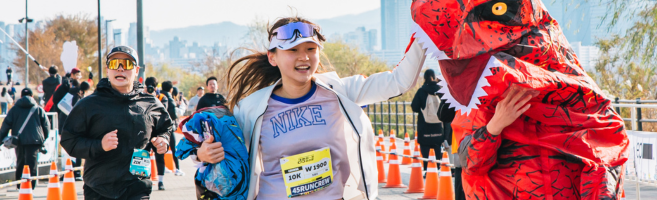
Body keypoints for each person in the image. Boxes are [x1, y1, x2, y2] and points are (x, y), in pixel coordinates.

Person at [192, 17, 426, 199]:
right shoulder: (251, 108)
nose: (303, 57)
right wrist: (202, 154)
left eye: (310, 49)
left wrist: (427, 29)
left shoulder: (340, 91)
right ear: (273, 58)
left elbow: (399, 81)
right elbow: (220, 150)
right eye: (292, 50)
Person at [60, 46, 172, 200]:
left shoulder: (150, 103)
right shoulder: (89, 105)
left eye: (126, 64)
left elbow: (166, 127)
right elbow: (69, 140)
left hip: (138, 189)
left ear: (136, 70)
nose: (120, 69)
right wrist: (100, 145)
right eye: (114, 64)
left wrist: (163, 140)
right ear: (107, 70)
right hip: (100, 190)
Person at [0, 88, 50, 189]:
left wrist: (0, 140)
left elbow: (6, 125)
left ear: (21, 97)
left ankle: (19, 186)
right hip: (35, 141)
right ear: (32, 96)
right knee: (32, 164)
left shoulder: (14, 109)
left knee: (20, 162)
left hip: (19, 141)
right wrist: (43, 139)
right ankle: (31, 187)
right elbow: (46, 126)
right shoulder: (38, 109)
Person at [410, 69, 444, 172]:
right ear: (434, 77)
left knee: (425, 147)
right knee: (437, 146)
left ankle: (426, 169)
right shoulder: (441, 91)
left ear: (425, 78)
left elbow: (414, 107)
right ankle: (437, 168)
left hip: (424, 125)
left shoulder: (421, 91)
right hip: (438, 125)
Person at [143, 77, 169, 190]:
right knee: (144, 156)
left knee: (160, 157)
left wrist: (154, 98)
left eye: (151, 87)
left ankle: (161, 182)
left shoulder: (162, 97)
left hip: (158, 133)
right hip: (146, 133)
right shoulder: (141, 97)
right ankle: (145, 180)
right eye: (147, 87)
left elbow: (164, 113)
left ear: (155, 88)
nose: (149, 89)